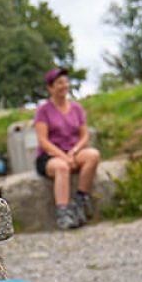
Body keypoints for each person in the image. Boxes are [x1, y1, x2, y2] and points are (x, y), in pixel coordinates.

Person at [32, 68, 100, 229]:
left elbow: (84, 136)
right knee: (62, 167)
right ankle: (63, 213)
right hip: (50, 156)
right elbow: (43, 141)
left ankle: (80, 200)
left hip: (72, 151)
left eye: (66, 82)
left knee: (93, 155)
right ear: (50, 88)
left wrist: (75, 151)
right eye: (59, 83)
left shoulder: (77, 108)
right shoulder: (43, 110)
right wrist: (63, 156)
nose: (64, 85)